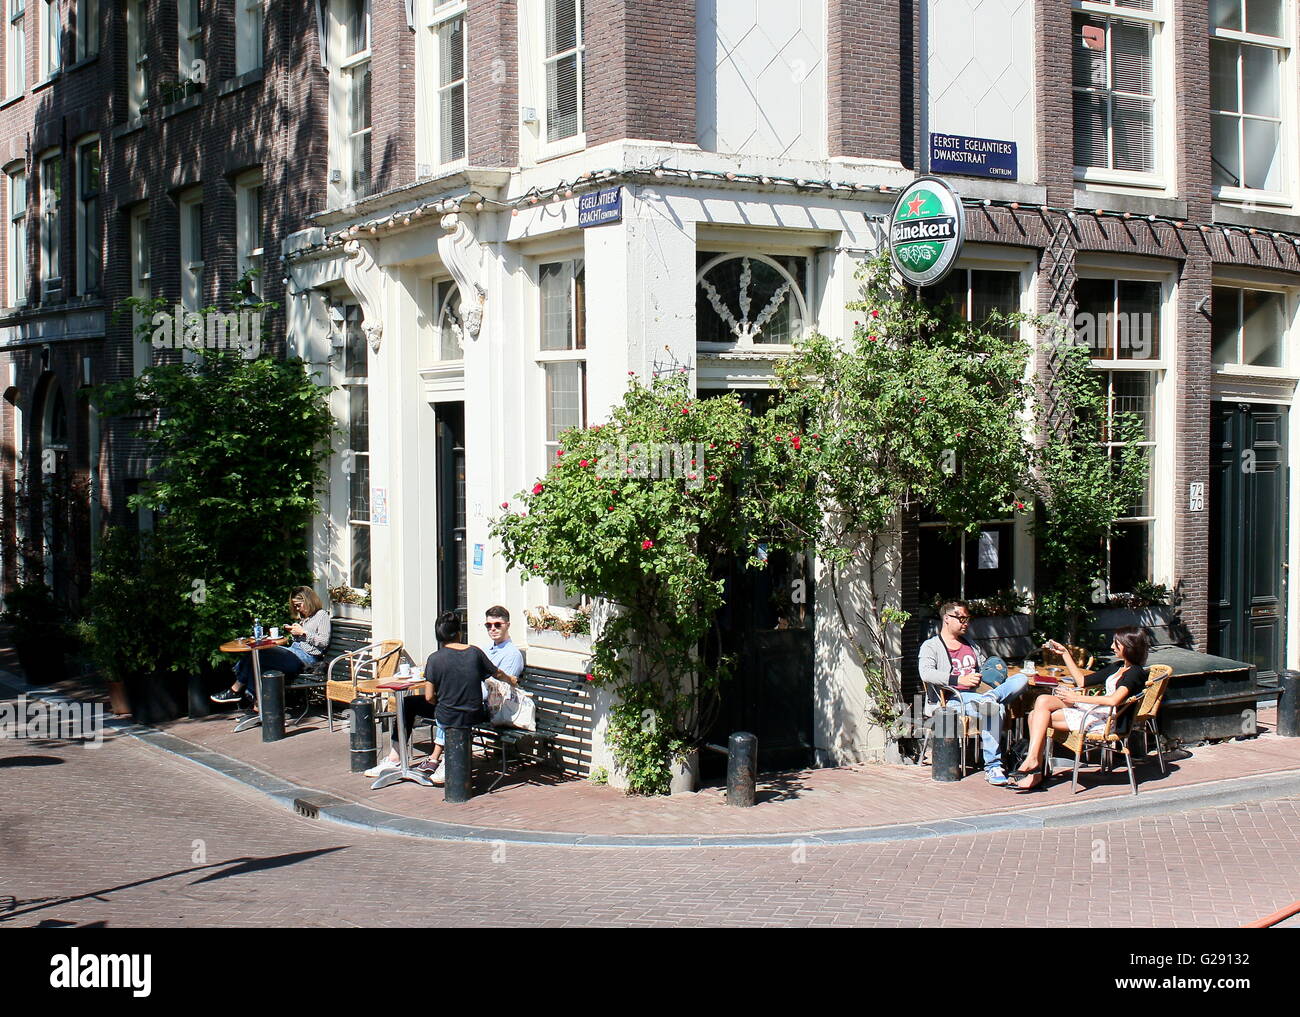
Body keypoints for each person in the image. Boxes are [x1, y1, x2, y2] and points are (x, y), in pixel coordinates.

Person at [366, 611, 518, 785]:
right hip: (475, 710)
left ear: (439, 636)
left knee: (409, 704)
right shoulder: (475, 652)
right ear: (459, 633)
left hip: (455, 712)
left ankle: (399, 757)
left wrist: (442, 699)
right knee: (416, 704)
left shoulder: (435, 659)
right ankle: (414, 759)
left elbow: (430, 696)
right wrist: (511, 679)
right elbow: (497, 673)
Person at [1007, 626, 1151, 790]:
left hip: (1108, 721)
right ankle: (1033, 762)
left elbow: (1113, 700)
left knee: (1034, 716)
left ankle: (1035, 770)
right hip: (1097, 711)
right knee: (1042, 700)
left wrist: (1076, 698)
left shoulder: (1135, 672)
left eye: (1116, 644)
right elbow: (1082, 681)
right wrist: (1065, 654)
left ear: (1128, 646)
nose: (1112, 647)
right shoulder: (1118, 666)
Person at [918, 599, 1029, 785]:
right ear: (947, 618)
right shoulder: (931, 646)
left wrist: (990, 675)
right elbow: (926, 673)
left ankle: (992, 696)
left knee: (1021, 679)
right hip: (954, 699)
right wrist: (959, 680)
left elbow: (984, 666)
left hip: (980, 693)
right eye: (961, 618)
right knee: (994, 709)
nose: (966, 623)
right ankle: (993, 766)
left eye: (968, 619)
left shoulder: (969, 643)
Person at [211, 587, 331, 706]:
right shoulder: (305, 617)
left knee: (260, 653)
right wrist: (295, 632)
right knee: (258, 658)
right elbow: (302, 641)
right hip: (294, 652)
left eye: (299, 605)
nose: (297, 609)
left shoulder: (322, 615)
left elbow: (324, 641)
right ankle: (256, 704)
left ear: (309, 601)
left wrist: (303, 632)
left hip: (305, 659)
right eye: (295, 606)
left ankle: (235, 690)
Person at [483, 605, 525, 680]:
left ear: (507, 625)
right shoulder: (485, 650)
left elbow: (503, 687)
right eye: (488, 625)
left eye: (497, 625)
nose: (492, 629)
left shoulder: (512, 655)